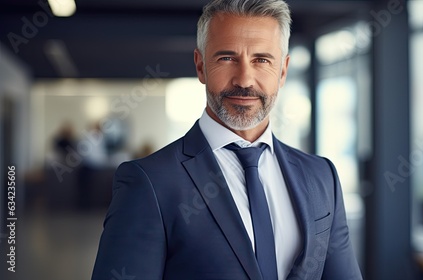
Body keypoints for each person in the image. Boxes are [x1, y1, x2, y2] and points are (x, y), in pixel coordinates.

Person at [92, 0, 362, 279]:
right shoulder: (149, 182)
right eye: (227, 58)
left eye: (262, 60)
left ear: (282, 71)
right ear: (200, 66)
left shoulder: (322, 176)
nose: (244, 80)